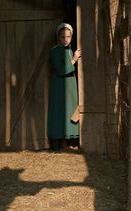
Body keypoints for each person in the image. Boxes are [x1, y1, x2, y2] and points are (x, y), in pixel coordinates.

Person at [47, 23, 82, 151]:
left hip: (70, 85)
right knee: (59, 111)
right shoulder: (55, 51)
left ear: (71, 37)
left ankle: (66, 141)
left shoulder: (70, 49)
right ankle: (56, 142)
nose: (65, 39)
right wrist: (74, 59)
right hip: (59, 86)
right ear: (58, 38)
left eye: (68, 36)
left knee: (70, 110)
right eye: (62, 37)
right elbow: (61, 70)